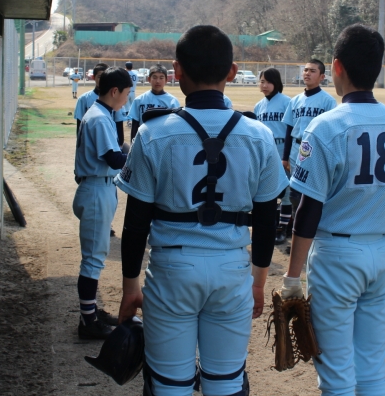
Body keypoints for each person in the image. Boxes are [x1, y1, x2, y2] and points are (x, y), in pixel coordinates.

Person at [115, 25, 288, 396]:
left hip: (172, 269)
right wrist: (258, 282)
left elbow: (135, 222)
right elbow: (267, 218)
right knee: (225, 383)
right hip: (232, 269)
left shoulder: (152, 132)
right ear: (232, 72)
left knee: (169, 385)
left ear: (176, 71)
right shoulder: (258, 134)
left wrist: (130, 286)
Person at [282, 24, 385, 394]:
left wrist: (292, 277)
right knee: (372, 367)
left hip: (337, 253)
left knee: (336, 370)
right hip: (382, 251)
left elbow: (307, 210)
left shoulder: (326, 126)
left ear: (337, 66)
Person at [73, 67, 132, 339]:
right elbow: (114, 160)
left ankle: (91, 313)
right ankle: (88, 323)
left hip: (98, 187)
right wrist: (140, 153)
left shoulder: (101, 113)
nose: (127, 99)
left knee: (95, 257)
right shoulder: (98, 117)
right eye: (126, 93)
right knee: (93, 260)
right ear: (114, 91)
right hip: (97, 189)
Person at [282, 59, 337, 236]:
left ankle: (314, 233)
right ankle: (297, 233)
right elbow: (289, 130)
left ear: (322, 76)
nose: (307, 73)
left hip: (317, 150)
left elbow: (331, 132)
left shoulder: (328, 101)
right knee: (295, 194)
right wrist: (285, 157)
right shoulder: (295, 101)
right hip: (296, 149)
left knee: (314, 193)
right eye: (305, 70)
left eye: (312, 71)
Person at [253, 68, 293, 243]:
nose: (264, 85)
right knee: (267, 190)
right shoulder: (258, 106)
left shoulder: (287, 102)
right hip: (266, 151)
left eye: (268, 82)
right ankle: (273, 223)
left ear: (276, 83)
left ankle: (283, 227)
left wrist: (287, 156)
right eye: (262, 81)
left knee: (286, 190)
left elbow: (290, 130)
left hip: (283, 149)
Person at [129, 64, 180, 142]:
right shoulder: (139, 100)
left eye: (161, 78)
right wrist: (132, 144)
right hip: (144, 140)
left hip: (164, 141)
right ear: (149, 79)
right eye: (154, 77)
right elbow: (135, 125)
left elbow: (175, 126)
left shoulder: (172, 101)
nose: (157, 81)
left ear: (166, 80)